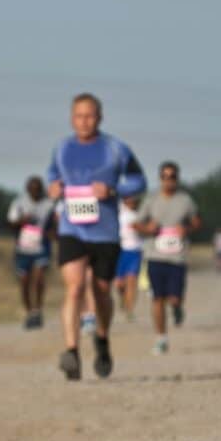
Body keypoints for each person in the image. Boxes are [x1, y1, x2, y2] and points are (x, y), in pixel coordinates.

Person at [46, 93, 146, 380]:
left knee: (101, 292)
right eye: (79, 116)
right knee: (75, 287)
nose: (84, 121)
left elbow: (139, 181)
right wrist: (54, 188)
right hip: (72, 229)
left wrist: (114, 190)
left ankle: (102, 340)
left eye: (89, 116)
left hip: (105, 232)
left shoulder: (116, 149)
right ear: (71, 118)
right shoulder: (63, 148)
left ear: (100, 118)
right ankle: (72, 352)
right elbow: (52, 176)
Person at [135, 162, 201, 354]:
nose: (168, 180)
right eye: (165, 176)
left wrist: (187, 229)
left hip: (177, 258)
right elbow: (137, 223)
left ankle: (177, 308)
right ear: (160, 178)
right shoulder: (151, 200)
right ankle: (161, 338)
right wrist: (148, 228)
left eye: (172, 177)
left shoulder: (185, 200)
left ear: (177, 179)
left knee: (173, 298)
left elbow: (197, 221)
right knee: (157, 298)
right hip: (155, 255)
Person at [7, 176, 56, 328]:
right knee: (25, 282)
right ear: (27, 189)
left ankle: (38, 310)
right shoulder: (18, 203)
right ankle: (29, 312)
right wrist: (22, 221)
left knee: (40, 278)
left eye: (38, 189)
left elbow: (55, 224)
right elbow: (10, 222)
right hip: (23, 248)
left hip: (41, 248)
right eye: (32, 189)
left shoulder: (49, 204)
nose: (35, 192)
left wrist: (52, 233)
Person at [115, 196, 144, 320]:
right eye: (129, 198)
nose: (132, 201)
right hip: (120, 250)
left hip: (135, 251)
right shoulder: (118, 209)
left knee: (132, 281)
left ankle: (130, 309)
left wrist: (140, 228)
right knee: (119, 284)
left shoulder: (141, 213)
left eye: (134, 198)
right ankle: (123, 298)